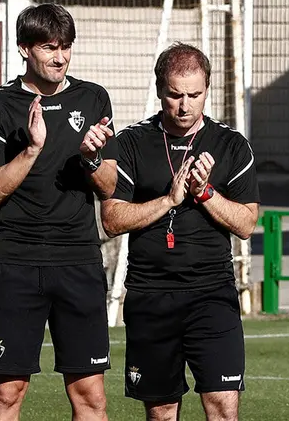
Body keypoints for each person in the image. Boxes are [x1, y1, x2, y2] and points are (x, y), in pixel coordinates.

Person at [0, 3, 118, 421]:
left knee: (90, 395)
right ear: (24, 49)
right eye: (49, 47)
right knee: (7, 393)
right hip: (17, 262)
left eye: (66, 47)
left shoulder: (93, 97)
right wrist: (32, 149)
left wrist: (92, 158)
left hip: (78, 261)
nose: (60, 57)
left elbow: (109, 186)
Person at [101, 42, 259, 420]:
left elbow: (247, 224)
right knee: (162, 410)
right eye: (175, 94)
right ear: (159, 90)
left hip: (211, 294)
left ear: (207, 89)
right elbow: (111, 220)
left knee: (222, 405)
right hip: (151, 295)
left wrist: (205, 193)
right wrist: (169, 200)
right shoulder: (131, 143)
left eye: (194, 94)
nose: (185, 105)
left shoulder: (231, 144)